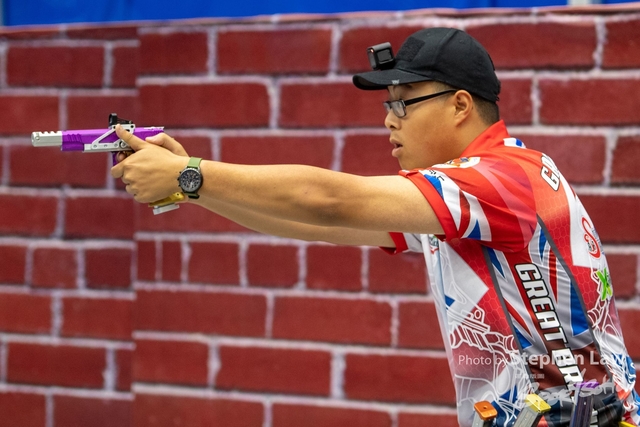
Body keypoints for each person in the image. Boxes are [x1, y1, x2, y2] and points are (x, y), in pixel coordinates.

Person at [111, 27, 639, 427]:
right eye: (388, 105)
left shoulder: (499, 179)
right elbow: (310, 223)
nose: (389, 119)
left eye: (403, 103)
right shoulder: (472, 193)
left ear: (460, 105)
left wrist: (191, 173)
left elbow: (329, 200)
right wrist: (191, 186)